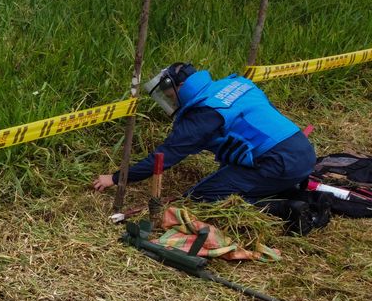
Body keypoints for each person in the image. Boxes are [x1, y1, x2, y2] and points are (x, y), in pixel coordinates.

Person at [93, 63, 316, 203]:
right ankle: (286, 188)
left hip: (280, 163)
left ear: (181, 87)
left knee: (200, 197)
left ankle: (287, 207)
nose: (171, 102)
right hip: (302, 149)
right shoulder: (235, 84)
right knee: (228, 178)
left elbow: (165, 156)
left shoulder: (204, 115)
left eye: (170, 97)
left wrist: (116, 178)